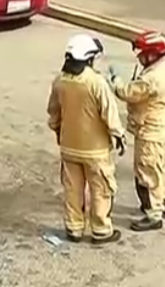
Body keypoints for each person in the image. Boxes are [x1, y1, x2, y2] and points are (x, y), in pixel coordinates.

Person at [47, 34, 127, 244]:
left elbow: (53, 113)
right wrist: (119, 135)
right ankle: (101, 231)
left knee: (73, 189)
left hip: (68, 147)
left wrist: (58, 132)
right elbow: (109, 114)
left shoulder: (59, 81)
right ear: (89, 58)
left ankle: (74, 229)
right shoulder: (96, 82)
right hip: (96, 150)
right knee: (101, 189)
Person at [107, 31, 165, 232]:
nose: (139, 57)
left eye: (143, 53)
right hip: (159, 125)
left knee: (146, 172)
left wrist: (115, 80)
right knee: (159, 168)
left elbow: (127, 93)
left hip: (148, 129)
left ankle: (153, 213)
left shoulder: (151, 79)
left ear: (154, 54)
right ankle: (162, 203)